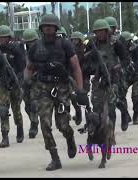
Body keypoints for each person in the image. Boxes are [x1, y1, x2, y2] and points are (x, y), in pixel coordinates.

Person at [26, 14, 87, 171]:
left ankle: (70, 137)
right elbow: (29, 67)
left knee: (63, 124)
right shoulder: (35, 46)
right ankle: (55, 157)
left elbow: (76, 67)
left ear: (56, 28)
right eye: (45, 25)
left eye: (51, 25)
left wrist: (80, 90)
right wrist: (27, 82)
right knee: (45, 124)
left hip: (61, 89)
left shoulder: (65, 45)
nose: (48, 27)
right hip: (42, 88)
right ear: (41, 28)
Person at [22, 29, 40, 138]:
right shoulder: (22, 51)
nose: (30, 44)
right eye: (28, 42)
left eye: (32, 41)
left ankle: (34, 125)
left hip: (37, 80)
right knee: (27, 106)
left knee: (34, 103)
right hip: (24, 81)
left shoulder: (41, 50)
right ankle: (34, 120)